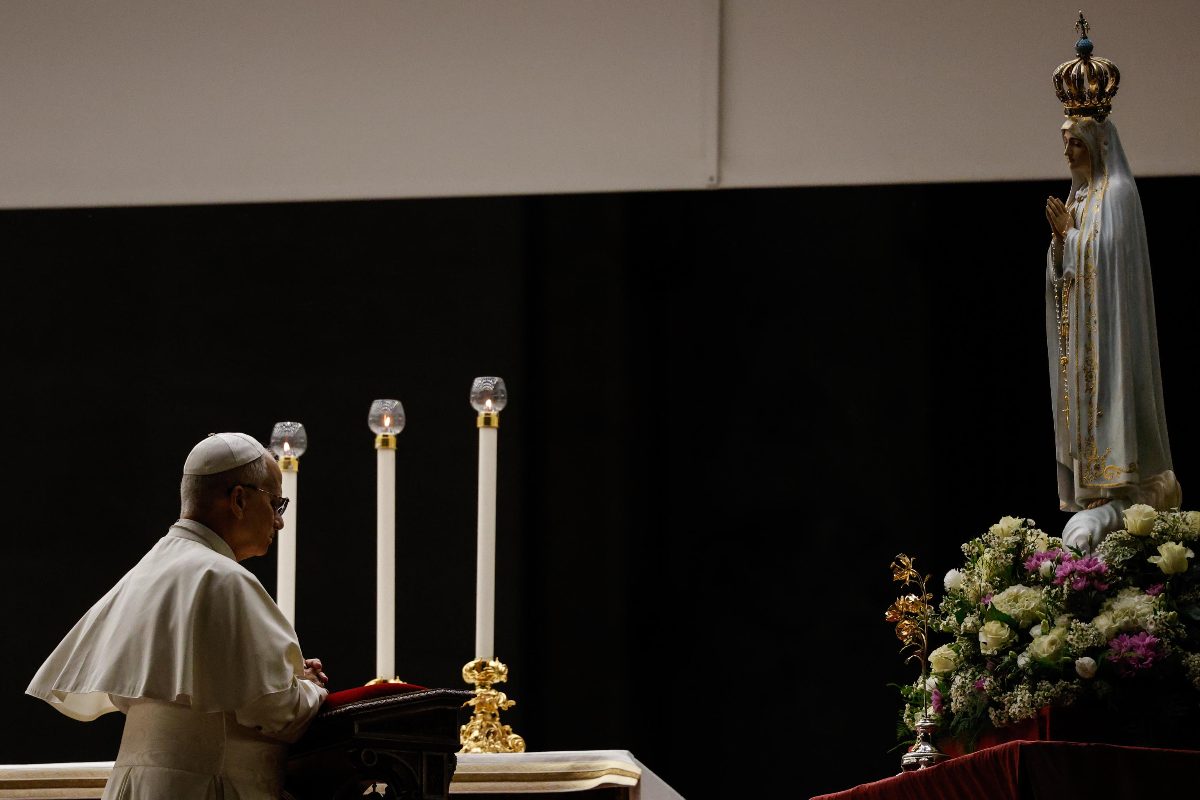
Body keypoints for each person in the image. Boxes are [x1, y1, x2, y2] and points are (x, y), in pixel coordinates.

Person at [27, 432, 329, 799]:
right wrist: (311, 689)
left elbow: (134, 691)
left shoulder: (146, 571)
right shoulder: (222, 578)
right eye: (276, 504)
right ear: (238, 499)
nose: (279, 522)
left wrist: (286, 678)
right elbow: (275, 710)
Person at [1044, 20, 1179, 553]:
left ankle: (1121, 491)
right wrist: (1060, 247)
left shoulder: (1117, 193)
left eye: (1074, 143)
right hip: (1081, 341)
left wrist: (1072, 241)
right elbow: (1064, 271)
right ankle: (1094, 500)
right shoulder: (1078, 198)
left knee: (1111, 410)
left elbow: (1113, 264)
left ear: (1097, 142)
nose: (1067, 154)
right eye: (1064, 143)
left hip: (1110, 336)